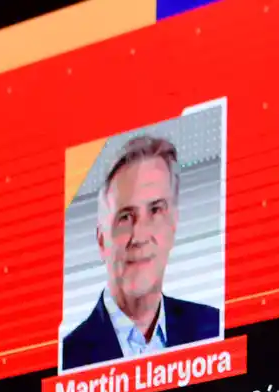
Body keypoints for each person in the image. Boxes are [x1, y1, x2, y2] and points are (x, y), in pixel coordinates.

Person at [60, 134, 221, 371]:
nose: (140, 235)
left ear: (173, 225)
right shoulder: (67, 360)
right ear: (101, 240)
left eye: (155, 210)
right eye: (125, 217)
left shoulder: (213, 328)